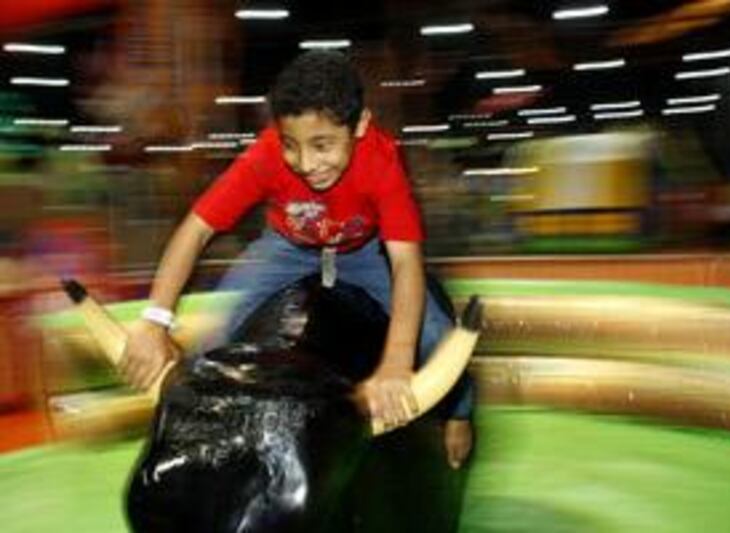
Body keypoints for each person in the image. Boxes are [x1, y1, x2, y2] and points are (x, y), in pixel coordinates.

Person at [121, 50, 474, 469]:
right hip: (287, 247)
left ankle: (461, 413)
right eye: (291, 145)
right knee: (214, 340)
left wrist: (397, 361)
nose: (306, 164)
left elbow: (405, 262)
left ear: (360, 124)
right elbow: (196, 229)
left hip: (361, 251)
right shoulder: (265, 155)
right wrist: (155, 320)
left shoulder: (381, 159)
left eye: (322, 145)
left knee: (435, 332)